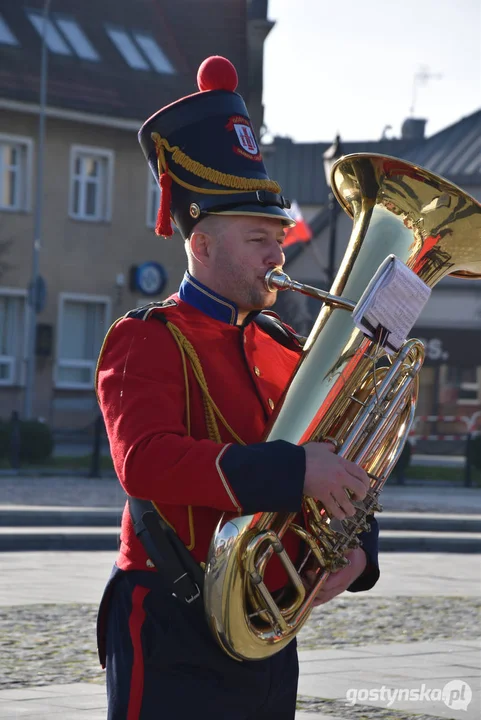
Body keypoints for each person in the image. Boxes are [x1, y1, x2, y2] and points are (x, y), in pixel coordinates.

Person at [96, 56, 380, 720]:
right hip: (170, 624)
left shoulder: (283, 343)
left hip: (270, 624)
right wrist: (292, 469)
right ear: (199, 244)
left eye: (278, 238)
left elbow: (340, 457)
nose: (277, 255)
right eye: (258, 238)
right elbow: (144, 462)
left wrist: (363, 548)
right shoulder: (148, 336)